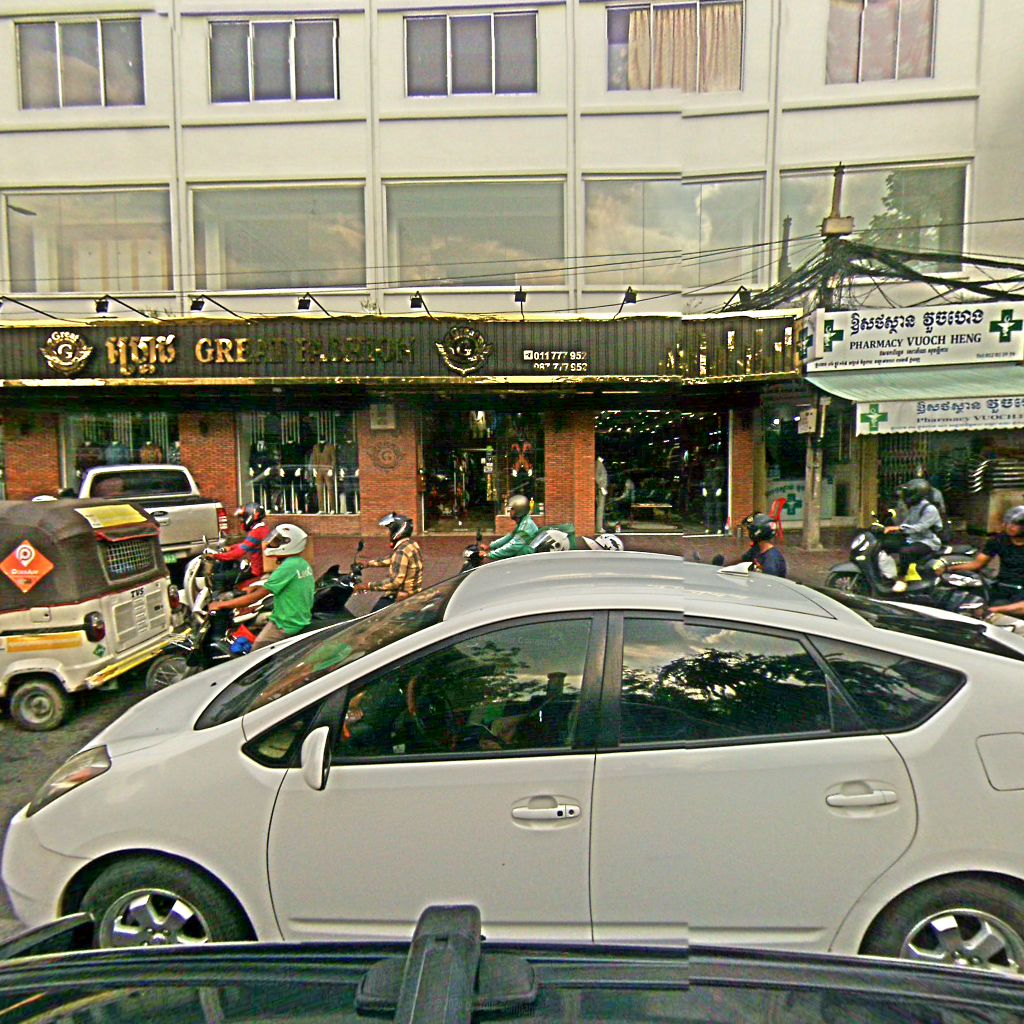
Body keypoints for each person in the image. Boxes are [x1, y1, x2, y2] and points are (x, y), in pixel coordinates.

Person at [209, 523, 314, 651]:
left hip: (285, 624)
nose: (272, 544)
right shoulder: (301, 563)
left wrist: (221, 605)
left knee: (257, 651)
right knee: (255, 623)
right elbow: (280, 583)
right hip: (299, 617)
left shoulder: (288, 567)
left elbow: (253, 598)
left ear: (289, 544)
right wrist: (256, 587)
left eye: (277, 542)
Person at [938, 505, 1024, 614]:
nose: (1011, 527)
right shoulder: (999, 540)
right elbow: (977, 564)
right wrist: (948, 569)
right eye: (1009, 523)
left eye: (1017, 524)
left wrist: (993, 610)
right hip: (1002, 586)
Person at [355, 512, 423, 611]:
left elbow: (394, 582)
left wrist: (366, 586)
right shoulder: (410, 544)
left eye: (390, 530)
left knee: (374, 616)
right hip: (413, 592)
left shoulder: (401, 551)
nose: (388, 533)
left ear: (397, 531)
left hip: (401, 596)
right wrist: (367, 564)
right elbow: (392, 559)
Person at [884, 478, 943, 593]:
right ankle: (888, 572)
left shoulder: (930, 509)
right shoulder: (914, 507)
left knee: (906, 552)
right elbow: (906, 523)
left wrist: (899, 528)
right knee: (886, 544)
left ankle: (902, 579)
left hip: (927, 541)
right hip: (912, 538)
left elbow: (920, 527)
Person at [209, 502, 270, 583]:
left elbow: (238, 553)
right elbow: (247, 545)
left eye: (243, 517)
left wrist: (216, 556)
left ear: (250, 516)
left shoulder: (256, 532)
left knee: (218, 578)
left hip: (255, 572)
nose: (241, 521)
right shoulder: (263, 529)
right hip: (257, 568)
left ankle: (219, 591)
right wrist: (231, 547)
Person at [482, 494, 539, 560]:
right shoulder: (524, 522)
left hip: (526, 560)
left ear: (519, 510)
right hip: (523, 557)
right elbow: (509, 537)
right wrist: (490, 546)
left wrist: (489, 554)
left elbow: (512, 547)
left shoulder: (525, 527)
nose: (509, 511)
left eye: (512, 509)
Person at [736, 512, 787, 578]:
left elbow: (768, 582)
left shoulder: (770, 560)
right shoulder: (757, 549)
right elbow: (742, 560)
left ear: (756, 532)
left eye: (749, 530)